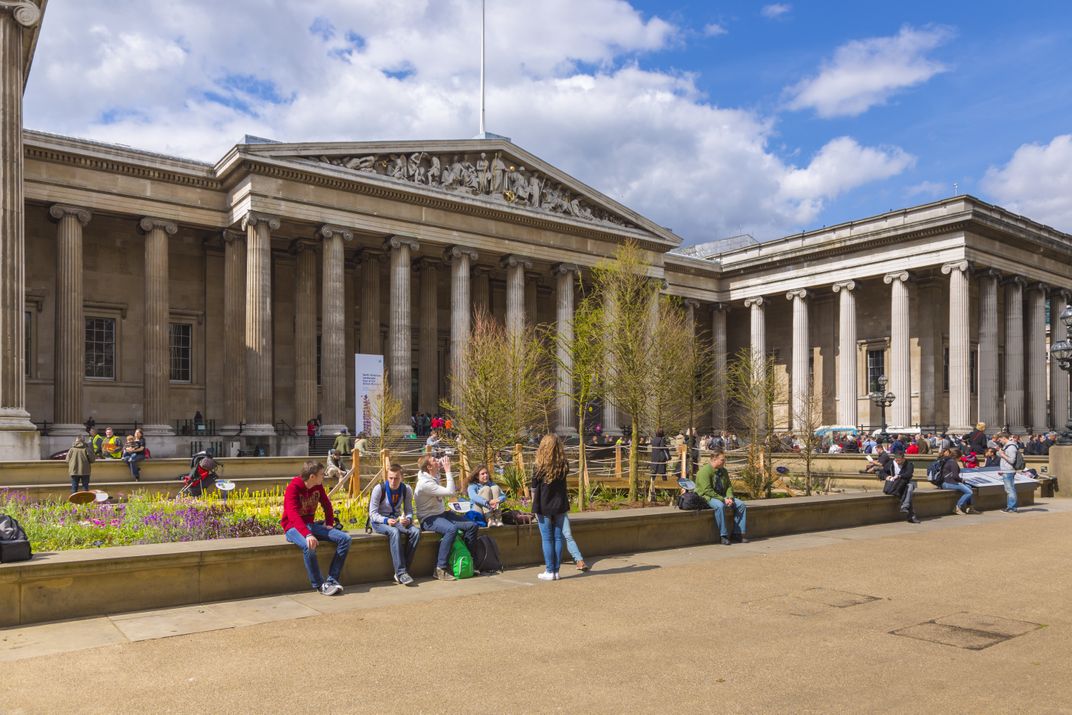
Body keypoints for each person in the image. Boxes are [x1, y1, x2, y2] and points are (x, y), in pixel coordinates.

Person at [281, 461, 351, 596]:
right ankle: (320, 585)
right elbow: (293, 515)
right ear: (312, 476)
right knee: (309, 546)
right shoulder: (293, 488)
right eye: (321, 474)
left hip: (310, 526)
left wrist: (329, 523)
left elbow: (327, 504)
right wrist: (307, 534)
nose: (323, 476)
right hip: (292, 528)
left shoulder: (317, 487)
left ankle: (332, 580)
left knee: (345, 539)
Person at [414, 454, 477, 581]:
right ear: (429, 467)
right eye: (434, 460)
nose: (438, 460)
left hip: (442, 514)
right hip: (428, 519)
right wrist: (448, 470)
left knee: (472, 526)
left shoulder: (433, 476)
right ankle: (440, 569)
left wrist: (442, 468)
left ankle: (467, 561)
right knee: (451, 529)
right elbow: (450, 492)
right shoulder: (425, 483)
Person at [369, 464, 420, 586]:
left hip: (397, 520)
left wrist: (407, 519)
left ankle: (403, 570)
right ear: (387, 477)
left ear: (402, 477)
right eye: (390, 478)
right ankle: (401, 572)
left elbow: (408, 510)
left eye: (396, 478)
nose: (393, 481)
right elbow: (373, 514)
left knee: (416, 532)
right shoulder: (379, 489)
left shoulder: (406, 489)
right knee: (394, 532)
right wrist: (386, 520)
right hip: (380, 521)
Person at [531, 434, 570, 581]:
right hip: (560, 504)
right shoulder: (564, 465)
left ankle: (549, 570)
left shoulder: (539, 466)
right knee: (558, 538)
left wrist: (533, 504)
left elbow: (534, 488)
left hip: (543, 505)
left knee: (547, 539)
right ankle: (557, 571)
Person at [695, 449, 747, 545]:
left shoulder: (723, 471)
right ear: (715, 460)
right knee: (720, 506)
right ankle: (723, 535)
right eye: (722, 460)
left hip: (722, 496)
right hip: (707, 497)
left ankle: (737, 533)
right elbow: (707, 490)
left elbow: (728, 486)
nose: (724, 462)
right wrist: (723, 500)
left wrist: (730, 497)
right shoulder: (704, 472)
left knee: (741, 505)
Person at [880, 450, 918, 523]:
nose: (897, 462)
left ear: (903, 459)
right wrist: (887, 476)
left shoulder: (909, 464)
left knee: (909, 488)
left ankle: (905, 506)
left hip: (904, 483)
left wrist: (899, 476)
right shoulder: (891, 463)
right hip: (894, 486)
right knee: (908, 492)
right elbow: (881, 473)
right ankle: (909, 512)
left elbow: (909, 474)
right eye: (896, 460)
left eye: (899, 460)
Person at [940, 448, 977, 515]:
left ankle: (969, 507)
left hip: (947, 482)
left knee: (969, 487)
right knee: (969, 492)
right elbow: (955, 476)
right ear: (958, 456)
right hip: (949, 483)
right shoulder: (953, 463)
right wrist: (962, 480)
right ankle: (957, 507)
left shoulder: (949, 461)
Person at [996, 433, 1019, 513]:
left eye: (1000, 439)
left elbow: (1012, 460)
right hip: (1006, 470)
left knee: (1010, 490)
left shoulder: (1011, 447)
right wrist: (1000, 452)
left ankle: (1011, 507)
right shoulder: (1007, 446)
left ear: (1003, 438)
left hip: (1009, 470)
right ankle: (1011, 507)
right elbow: (1000, 455)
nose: (999, 441)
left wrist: (1002, 455)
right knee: (1009, 489)